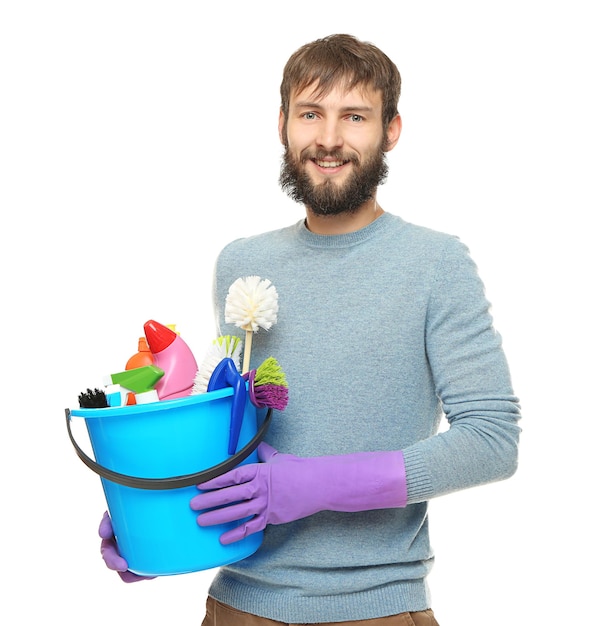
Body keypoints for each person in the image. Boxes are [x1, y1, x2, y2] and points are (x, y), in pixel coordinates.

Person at [99, 33, 521, 625]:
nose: (328, 139)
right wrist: (159, 516)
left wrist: (318, 484)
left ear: (391, 130)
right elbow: (233, 434)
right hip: (235, 607)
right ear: (282, 124)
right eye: (310, 114)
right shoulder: (240, 264)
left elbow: (492, 440)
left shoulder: (435, 264)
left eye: (354, 116)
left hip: (376, 611)